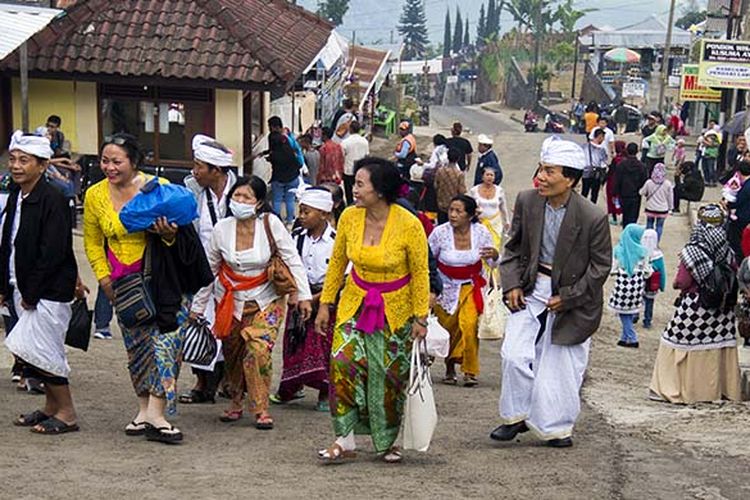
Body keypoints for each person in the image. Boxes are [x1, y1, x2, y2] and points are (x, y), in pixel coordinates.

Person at [84, 133, 211, 444]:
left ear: (134, 162)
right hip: (124, 284)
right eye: (105, 161)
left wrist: (167, 235)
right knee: (138, 348)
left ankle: (157, 412)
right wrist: (103, 279)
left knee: (167, 345)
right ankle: (144, 410)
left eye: (117, 161)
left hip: (165, 281)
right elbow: (92, 241)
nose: (109, 167)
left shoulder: (159, 190)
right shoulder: (94, 195)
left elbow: (182, 235)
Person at [490, 136, 612, 448]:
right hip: (531, 287)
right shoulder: (527, 201)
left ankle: (556, 428)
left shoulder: (592, 217)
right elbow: (513, 248)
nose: (541, 177)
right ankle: (516, 416)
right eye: (541, 170)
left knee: (560, 366)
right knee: (514, 355)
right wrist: (513, 283)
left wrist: (569, 296)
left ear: (570, 179)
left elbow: (600, 267)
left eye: (550, 171)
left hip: (574, 296)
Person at [314, 157, 429, 464]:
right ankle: (345, 440)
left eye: (361, 184)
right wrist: (325, 304)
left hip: (397, 308)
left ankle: (388, 441)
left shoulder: (409, 224)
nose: (354, 189)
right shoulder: (349, 217)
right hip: (355, 302)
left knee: (389, 376)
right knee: (342, 363)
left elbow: (420, 273)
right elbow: (337, 264)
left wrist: (421, 317)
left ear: (380, 190)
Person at [190, 176, 312, 430]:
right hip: (230, 300)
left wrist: (303, 295)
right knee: (233, 352)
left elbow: (292, 259)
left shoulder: (271, 224)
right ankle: (235, 401)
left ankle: (260, 407)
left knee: (257, 351)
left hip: (266, 300)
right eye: (237, 196)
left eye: (247, 197)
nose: (241, 201)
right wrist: (198, 307)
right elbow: (209, 269)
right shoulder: (221, 229)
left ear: (258, 203)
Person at [1, 131, 82, 435]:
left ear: (43, 164)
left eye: (24, 160)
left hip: (46, 290)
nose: (17, 166)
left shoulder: (54, 200)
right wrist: (6, 288)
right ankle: (51, 407)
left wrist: (32, 292)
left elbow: (53, 251)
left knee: (45, 351)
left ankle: (68, 412)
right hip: (20, 286)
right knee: (31, 351)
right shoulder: (16, 196)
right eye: (13, 159)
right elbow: (7, 242)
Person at [649, 204, 741, 404]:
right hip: (723, 312)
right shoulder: (727, 250)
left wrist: (675, 284)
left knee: (675, 341)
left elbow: (682, 282)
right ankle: (717, 390)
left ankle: (675, 388)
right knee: (717, 345)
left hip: (696, 307)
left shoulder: (692, 251)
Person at [179, 134, 238, 405]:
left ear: (216, 170)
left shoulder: (243, 191)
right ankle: (203, 384)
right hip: (201, 271)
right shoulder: (191, 191)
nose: (195, 171)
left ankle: (230, 380)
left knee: (231, 328)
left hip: (236, 275)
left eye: (199, 166)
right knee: (200, 323)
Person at [271, 188, 336, 411]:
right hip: (299, 297)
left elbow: (341, 277)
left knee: (322, 346)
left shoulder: (335, 241)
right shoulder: (296, 238)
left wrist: (317, 299)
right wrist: (295, 293)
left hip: (325, 298)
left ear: (324, 214)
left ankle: (325, 393)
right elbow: (287, 266)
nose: (301, 216)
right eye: (301, 211)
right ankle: (290, 388)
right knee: (294, 343)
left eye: (307, 212)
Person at [430, 195, 498, 387]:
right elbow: (429, 259)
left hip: (470, 286)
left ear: (469, 215)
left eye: (458, 211)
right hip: (445, 287)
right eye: (451, 210)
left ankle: (469, 371)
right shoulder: (439, 233)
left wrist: (495, 254)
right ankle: (450, 368)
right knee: (449, 328)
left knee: (469, 325)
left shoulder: (482, 233)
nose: (453, 215)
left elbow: (492, 262)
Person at [608, 224, 651, 349]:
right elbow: (647, 271)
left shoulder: (618, 250)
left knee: (622, 312)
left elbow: (612, 269)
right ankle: (624, 337)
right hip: (637, 285)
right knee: (630, 311)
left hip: (623, 284)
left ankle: (632, 337)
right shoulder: (643, 251)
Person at [265, 117, 302, 226]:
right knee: (290, 199)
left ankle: (276, 222)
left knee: (276, 200)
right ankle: (290, 221)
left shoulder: (272, 140)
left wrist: (268, 157)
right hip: (292, 175)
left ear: (272, 127)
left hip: (278, 178)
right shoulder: (286, 140)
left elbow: (273, 156)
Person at [470, 166, 510, 250]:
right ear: (482, 177)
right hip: (480, 223)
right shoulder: (474, 191)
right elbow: (470, 207)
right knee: (480, 247)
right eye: (487, 175)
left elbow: (503, 207)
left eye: (492, 175)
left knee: (494, 246)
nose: (489, 177)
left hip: (495, 224)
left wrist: (507, 221)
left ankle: (493, 262)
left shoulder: (499, 190)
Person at [614, 143, 648, 227]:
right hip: (636, 195)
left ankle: (625, 233)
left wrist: (615, 193)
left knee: (625, 216)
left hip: (623, 194)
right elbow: (644, 181)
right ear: (637, 151)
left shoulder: (621, 165)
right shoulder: (642, 166)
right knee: (633, 217)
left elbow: (617, 180)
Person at [639, 163, 674, 242]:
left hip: (650, 208)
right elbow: (670, 198)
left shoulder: (649, 182)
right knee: (659, 226)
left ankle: (648, 241)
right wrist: (671, 208)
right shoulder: (668, 184)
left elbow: (642, 192)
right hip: (662, 209)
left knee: (649, 225)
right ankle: (656, 243)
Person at [641, 229, 666, 329]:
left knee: (638, 299)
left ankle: (635, 315)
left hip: (639, 281)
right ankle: (647, 320)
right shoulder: (658, 255)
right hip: (652, 283)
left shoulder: (639, 252)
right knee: (649, 302)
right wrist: (662, 285)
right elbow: (662, 271)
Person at [725, 161, 750, 263]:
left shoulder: (747, 187)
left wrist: (726, 204)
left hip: (742, 219)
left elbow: (738, 202)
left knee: (737, 244)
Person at [434, 148, 467, 224]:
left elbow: (436, 185)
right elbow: (462, 191)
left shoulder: (440, 171)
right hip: (453, 206)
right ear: (458, 159)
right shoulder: (459, 174)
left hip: (441, 204)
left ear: (448, 157)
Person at [341, 121, 369, 205]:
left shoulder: (345, 142)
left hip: (348, 170)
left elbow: (342, 156)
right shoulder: (364, 141)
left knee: (349, 192)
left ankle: (350, 205)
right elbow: (367, 155)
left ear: (350, 129)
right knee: (360, 189)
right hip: (361, 170)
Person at [581, 128, 608, 204]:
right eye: (603, 138)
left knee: (584, 192)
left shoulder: (584, 146)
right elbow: (603, 163)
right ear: (600, 136)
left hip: (586, 172)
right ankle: (592, 208)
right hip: (596, 173)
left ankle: (582, 207)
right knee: (594, 193)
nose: (603, 140)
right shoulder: (601, 150)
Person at [605, 141, 626, 225]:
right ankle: (623, 219)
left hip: (613, 182)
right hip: (623, 183)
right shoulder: (625, 159)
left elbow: (610, 172)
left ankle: (614, 218)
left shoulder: (616, 159)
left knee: (612, 199)